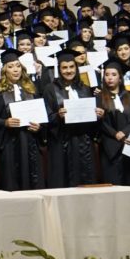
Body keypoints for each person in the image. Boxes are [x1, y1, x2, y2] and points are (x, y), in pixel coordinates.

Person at [43, 49, 99, 187]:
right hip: (61, 141)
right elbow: (46, 116)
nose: (68, 71)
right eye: (64, 67)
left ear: (76, 67)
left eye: (72, 67)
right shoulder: (50, 89)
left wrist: (97, 115)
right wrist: (58, 116)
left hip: (83, 141)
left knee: (85, 179)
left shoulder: (85, 88)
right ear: (59, 69)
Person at [0, 49, 45, 190]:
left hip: (31, 141)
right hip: (10, 143)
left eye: (17, 66)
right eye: (10, 67)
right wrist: (5, 122)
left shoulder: (31, 89)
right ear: (4, 71)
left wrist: (39, 126)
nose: (15, 70)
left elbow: (43, 114)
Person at [97, 60, 130, 186]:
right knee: (114, 184)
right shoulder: (99, 97)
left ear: (120, 78)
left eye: (114, 75)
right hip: (111, 147)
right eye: (107, 75)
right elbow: (100, 123)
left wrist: (125, 132)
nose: (110, 78)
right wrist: (115, 134)